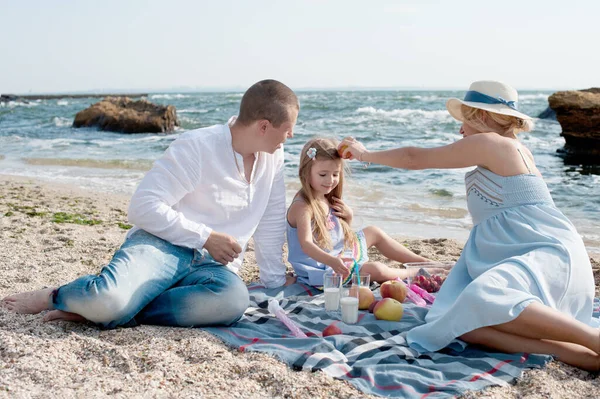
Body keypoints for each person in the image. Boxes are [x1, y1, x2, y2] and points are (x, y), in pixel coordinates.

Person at [338, 80, 600, 371]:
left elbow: (415, 158)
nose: (460, 130)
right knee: (454, 322)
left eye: (465, 120)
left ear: (483, 116)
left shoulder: (491, 143)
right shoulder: (513, 148)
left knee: (478, 298)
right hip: (540, 255)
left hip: (547, 255)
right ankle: (581, 355)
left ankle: (594, 339)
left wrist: (364, 154)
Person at [1, 79, 299, 329]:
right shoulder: (197, 146)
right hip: (162, 245)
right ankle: (56, 296)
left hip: (213, 268)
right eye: (288, 129)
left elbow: (272, 218)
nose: (291, 136)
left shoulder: (273, 156)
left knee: (232, 302)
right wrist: (206, 237)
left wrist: (273, 280)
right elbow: (142, 207)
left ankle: (116, 311)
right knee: (107, 301)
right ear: (263, 126)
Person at [286, 137, 429, 287]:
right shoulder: (303, 206)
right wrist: (332, 261)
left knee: (373, 232)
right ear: (306, 173)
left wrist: (348, 218)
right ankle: (414, 272)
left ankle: (424, 262)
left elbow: (336, 235)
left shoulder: (325, 197)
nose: (330, 180)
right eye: (323, 175)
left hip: (337, 254)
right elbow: (306, 244)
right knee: (376, 270)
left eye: (335, 174)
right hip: (322, 268)